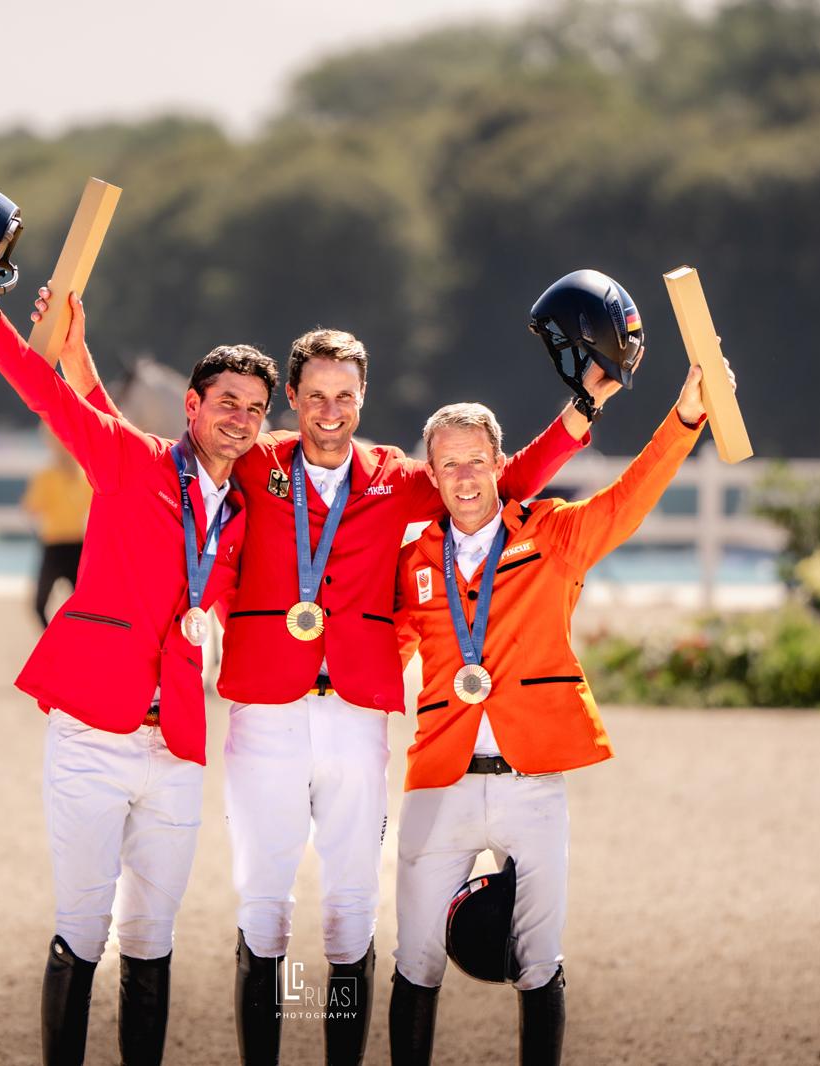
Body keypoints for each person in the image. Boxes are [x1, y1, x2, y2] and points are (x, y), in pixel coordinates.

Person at [217, 329, 599, 1065]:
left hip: (358, 717)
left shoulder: (395, 475)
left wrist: (581, 413)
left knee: (351, 918)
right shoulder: (255, 459)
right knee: (263, 914)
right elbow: (165, 464)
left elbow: (502, 479)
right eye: (317, 396)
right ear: (291, 399)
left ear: (364, 399)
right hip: (265, 714)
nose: (331, 411)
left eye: (346, 396)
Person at [0, 275, 278, 1066]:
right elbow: (52, 398)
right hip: (94, 736)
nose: (238, 418)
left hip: (176, 749)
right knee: (83, 928)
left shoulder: (242, 514)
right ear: (192, 408)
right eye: (225, 401)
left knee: (152, 938)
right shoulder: (131, 462)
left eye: (254, 409)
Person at [386, 358, 735, 1066]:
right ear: (432, 472)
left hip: (531, 780)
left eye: (476, 461)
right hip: (439, 781)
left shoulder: (552, 535)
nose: (462, 478)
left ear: (498, 462)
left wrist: (688, 415)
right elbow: (376, 655)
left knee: (540, 959)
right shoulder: (413, 558)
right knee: (414, 958)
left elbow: (630, 498)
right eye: (447, 465)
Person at [22, 430, 91, 627]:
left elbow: (30, 509)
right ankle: (61, 642)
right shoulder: (53, 475)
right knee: (43, 604)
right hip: (62, 545)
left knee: (82, 606)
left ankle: (68, 643)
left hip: (67, 545)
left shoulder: (76, 474)